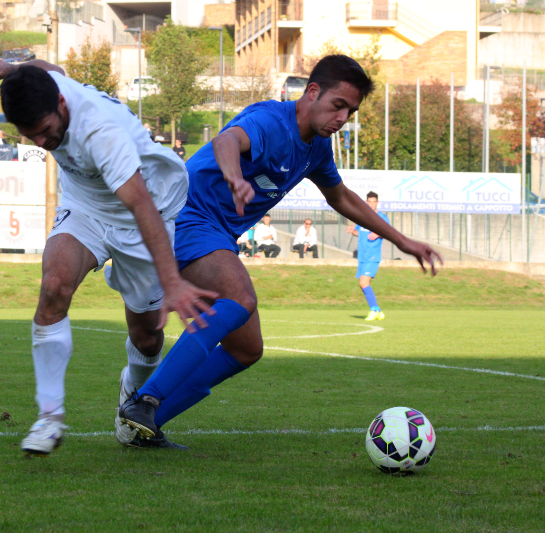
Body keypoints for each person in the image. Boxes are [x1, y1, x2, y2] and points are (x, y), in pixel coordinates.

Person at [119, 54, 442, 443]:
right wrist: (235, 178)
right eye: (338, 105)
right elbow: (226, 141)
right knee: (240, 298)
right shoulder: (272, 121)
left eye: (351, 112)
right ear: (312, 92)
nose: (342, 118)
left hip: (216, 232)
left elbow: (340, 196)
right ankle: (145, 399)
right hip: (186, 216)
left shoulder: (317, 147)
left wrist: (402, 240)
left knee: (245, 348)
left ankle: (145, 427)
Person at [0, 58, 217, 456]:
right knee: (53, 286)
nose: (40, 142)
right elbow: (47, 66)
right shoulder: (45, 89)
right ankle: (49, 417)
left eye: (46, 132)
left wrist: (172, 281)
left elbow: (141, 207)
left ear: (63, 106)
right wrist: (12, 68)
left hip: (146, 207)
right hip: (86, 204)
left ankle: (134, 389)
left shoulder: (100, 133)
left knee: (147, 334)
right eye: (29, 135)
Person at [346, 191, 389, 320]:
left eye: (373, 201)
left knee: (364, 282)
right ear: (366, 202)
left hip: (372, 256)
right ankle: (378, 311)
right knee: (362, 283)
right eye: (369, 201)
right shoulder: (362, 217)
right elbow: (359, 233)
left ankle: (375, 310)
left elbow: (388, 232)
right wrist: (352, 231)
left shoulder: (382, 217)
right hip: (362, 256)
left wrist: (379, 233)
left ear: (377, 202)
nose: (371, 204)